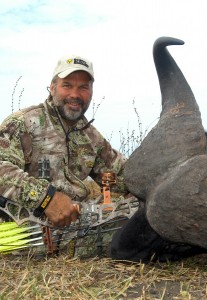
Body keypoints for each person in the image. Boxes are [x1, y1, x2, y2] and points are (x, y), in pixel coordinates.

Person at [0, 55, 127, 231]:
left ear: (91, 92)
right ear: (52, 88)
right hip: (21, 232)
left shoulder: (92, 137)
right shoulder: (23, 123)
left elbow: (121, 176)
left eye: (83, 87)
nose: (75, 95)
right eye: (67, 85)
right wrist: (46, 198)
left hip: (76, 226)